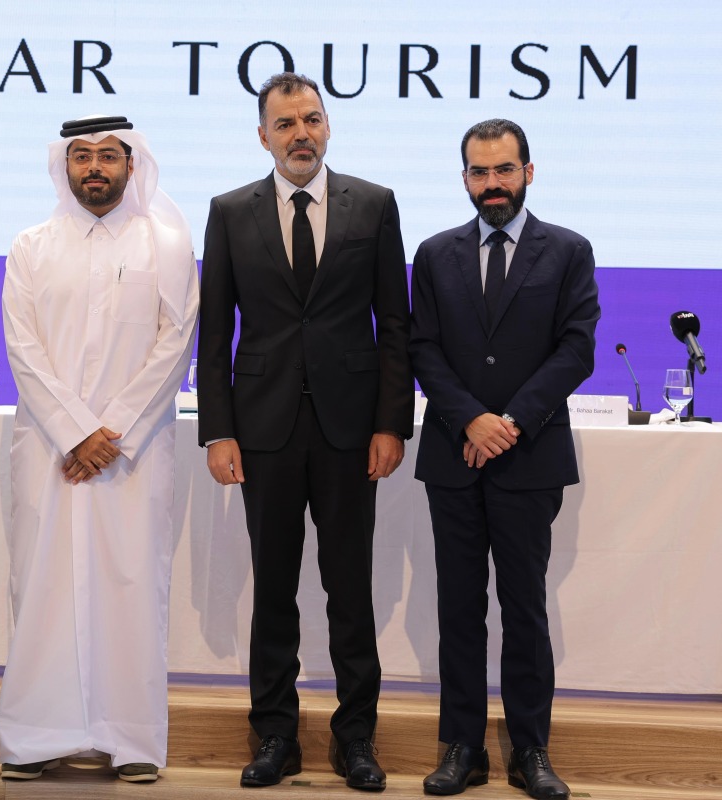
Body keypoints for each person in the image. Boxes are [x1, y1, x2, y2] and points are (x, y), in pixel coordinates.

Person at [197, 73, 412, 792]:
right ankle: (275, 735)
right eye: (286, 123)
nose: (301, 134)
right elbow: (214, 333)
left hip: (352, 431)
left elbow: (395, 325)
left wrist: (391, 422)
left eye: (312, 119)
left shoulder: (374, 205)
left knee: (351, 589)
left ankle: (357, 739)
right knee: (274, 590)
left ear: (328, 127)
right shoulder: (230, 212)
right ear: (263, 135)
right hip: (263, 429)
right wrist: (217, 431)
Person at [0, 115, 199, 784]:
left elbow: (176, 343)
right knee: (44, 586)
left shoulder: (165, 245)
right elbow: (22, 347)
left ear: (131, 165)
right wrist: (74, 432)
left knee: (130, 585)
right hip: (50, 450)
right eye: (81, 157)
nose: (94, 168)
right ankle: (35, 737)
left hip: (131, 454)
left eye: (108, 156)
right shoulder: (31, 245)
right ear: (65, 167)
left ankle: (129, 739)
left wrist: (110, 432)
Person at [409, 119, 599, 800]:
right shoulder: (434, 254)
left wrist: (509, 422)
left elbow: (576, 349)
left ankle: (530, 751)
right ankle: (461, 748)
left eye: (504, 171)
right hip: (453, 455)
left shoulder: (568, 250)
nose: (493, 185)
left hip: (530, 457)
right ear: (465, 178)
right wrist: (472, 418)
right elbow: (422, 347)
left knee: (524, 609)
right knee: (459, 609)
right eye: (480, 172)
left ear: (528, 172)